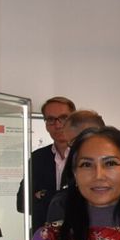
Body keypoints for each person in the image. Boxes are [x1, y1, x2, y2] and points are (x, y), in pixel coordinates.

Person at [46, 111, 120, 224]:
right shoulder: (51, 233)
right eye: (86, 165)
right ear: (75, 173)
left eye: (110, 164)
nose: (98, 175)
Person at [19, 96, 75, 229]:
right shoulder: (38, 157)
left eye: (63, 118)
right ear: (46, 124)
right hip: (44, 237)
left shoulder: (85, 156)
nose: (58, 125)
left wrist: (43, 195)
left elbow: (86, 202)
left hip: (79, 236)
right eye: (51, 119)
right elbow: (21, 202)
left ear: (73, 120)